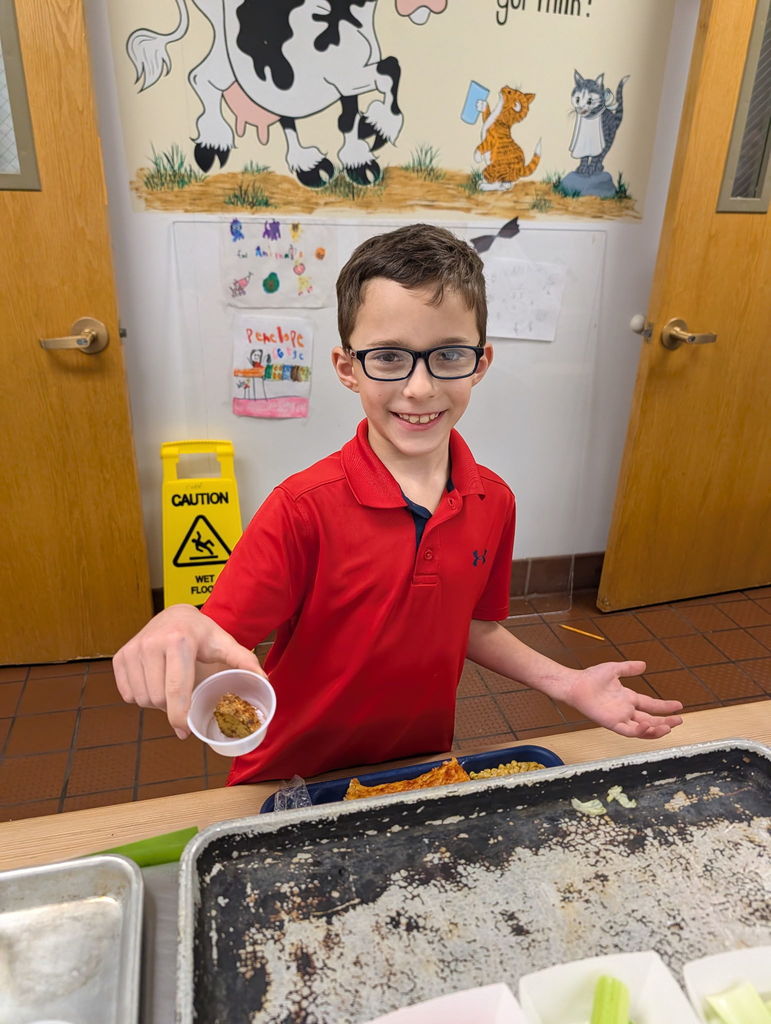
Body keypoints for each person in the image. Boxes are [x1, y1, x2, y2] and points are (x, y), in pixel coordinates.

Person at [113, 223, 683, 783]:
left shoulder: (493, 500)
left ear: (480, 363)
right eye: (388, 357)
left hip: (418, 767)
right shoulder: (301, 509)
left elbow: (470, 627)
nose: (419, 387)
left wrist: (567, 683)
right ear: (347, 368)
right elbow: (220, 649)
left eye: (448, 356)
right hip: (290, 775)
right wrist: (184, 624)